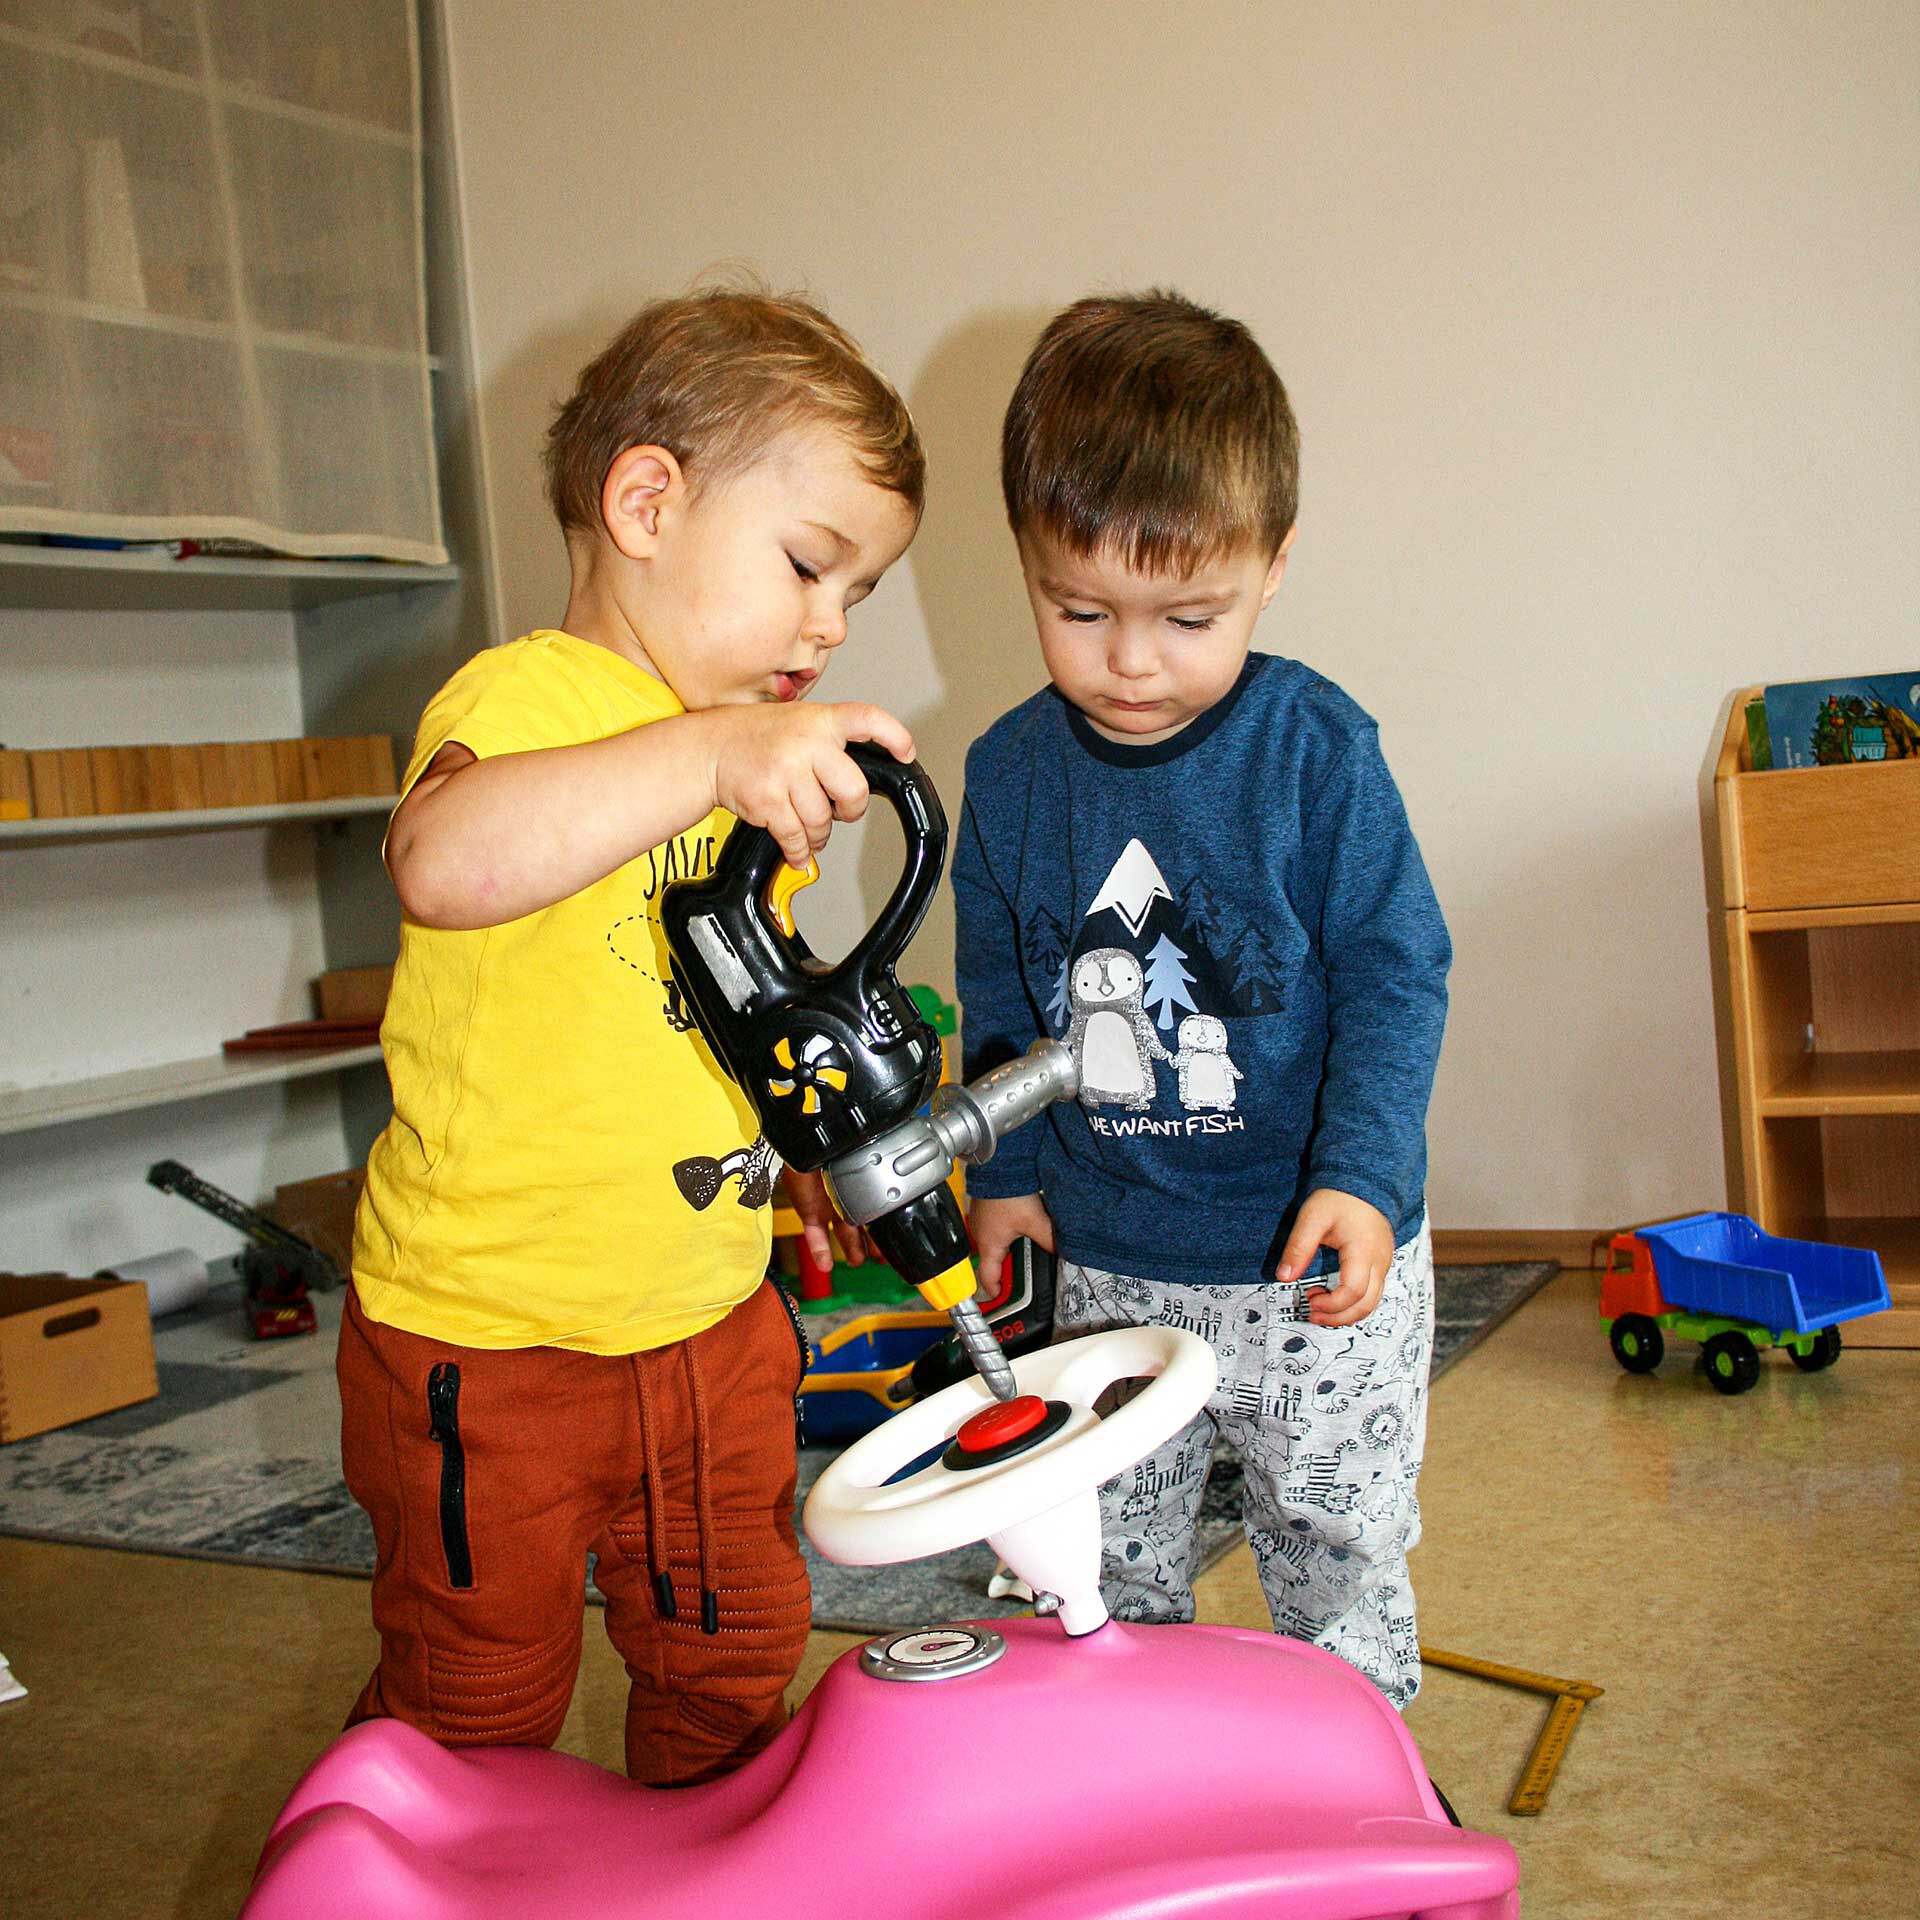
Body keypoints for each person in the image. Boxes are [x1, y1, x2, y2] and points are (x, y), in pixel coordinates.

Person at [338, 287, 923, 1784]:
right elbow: (445, 864)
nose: (830, 623)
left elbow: (712, 1004)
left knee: (731, 1654)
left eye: (855, 594)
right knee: (478, 1691)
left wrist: (790, 1139)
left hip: (709, 1317)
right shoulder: (527, 698)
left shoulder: (729, 755)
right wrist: (714, 751)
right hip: (491, 1338)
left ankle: (699, 1867)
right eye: (809, 566)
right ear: (647, 501)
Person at [954, 291, 1450, 1707]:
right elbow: (997, 989)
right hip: (1114, 1254)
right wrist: (1010, 1179)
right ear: (1026, 562)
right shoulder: (1008, 775)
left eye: (1188, 615)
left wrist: (1363, 1171)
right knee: (1098, 1562)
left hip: (1316, 1266)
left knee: (1334, 1546)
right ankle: (1144, 1783)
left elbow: (1395, 968)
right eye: (1078, 609)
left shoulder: (1315, 752)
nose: (1130, 662)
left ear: (1273, 566)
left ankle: (1360, 1783)